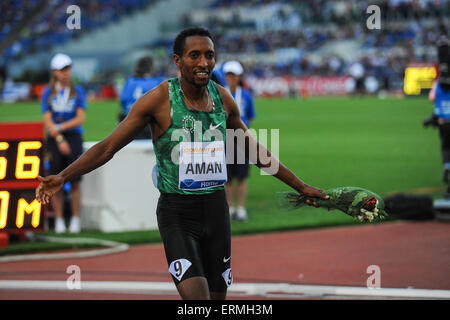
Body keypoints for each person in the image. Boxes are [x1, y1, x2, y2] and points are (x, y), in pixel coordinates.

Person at [36, 27, 328, 300]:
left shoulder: (223, 99)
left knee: (218, 298)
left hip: (216, 211)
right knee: (197, 298)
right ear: (178, 60)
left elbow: (253, 150)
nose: (204, 62)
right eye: (195, 55)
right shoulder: (159, 100)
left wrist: (301, 186)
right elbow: (108, 147)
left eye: (210, 55)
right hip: (177, 214)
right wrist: (63, 175)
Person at [41, 53, 87, 233]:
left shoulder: (78, 91)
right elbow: (47, 118)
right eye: (62, 70)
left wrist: (59, 128)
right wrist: (59, 137)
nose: (65, 73)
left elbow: (80, 118)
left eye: (67, 69)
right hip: (55, 140)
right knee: (55, 182)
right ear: (55, 72)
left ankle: (75, 220)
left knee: (75, 180)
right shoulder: (48, 92)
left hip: (73, 137)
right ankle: (59, 221)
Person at [223, 60, 256, 221]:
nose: (231, 78)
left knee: (242, 177)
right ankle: (230, 207)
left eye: (234, 75)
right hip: (225, 139)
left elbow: (250, 116)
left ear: (239, 77)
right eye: (228, 75)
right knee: (227, 177)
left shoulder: (246, 95)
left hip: (242, 140)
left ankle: (241, 208)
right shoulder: (221, 94)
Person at [119, 55, 163, 139]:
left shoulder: (129, 82)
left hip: (129, 123)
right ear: (151, 68)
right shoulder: (156, 82)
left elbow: (123, 101)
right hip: (149, 125)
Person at [429, 38, 450, 186]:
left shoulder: (438, 82)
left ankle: (447, 166)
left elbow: (432, 98)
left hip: (443, 120)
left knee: (445, 146)